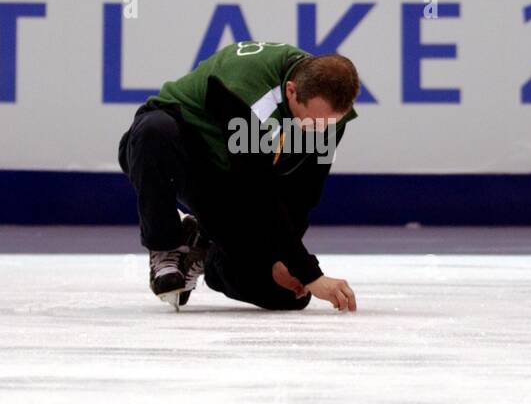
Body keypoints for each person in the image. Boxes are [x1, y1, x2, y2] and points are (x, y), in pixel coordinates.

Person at [118, 41, 360, 312]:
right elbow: (258, 189)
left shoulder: (328, 120)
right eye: (311, 123)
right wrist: (309, 272)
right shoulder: (245, 90)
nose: (317, 133)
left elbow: (303, 193)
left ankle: (205, 248)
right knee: (155, 130)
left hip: (230, 179)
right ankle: (165, 244)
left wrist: (287, 263)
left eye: (327, 125)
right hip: (178, 154)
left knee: (287, 294)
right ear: (291, 91)